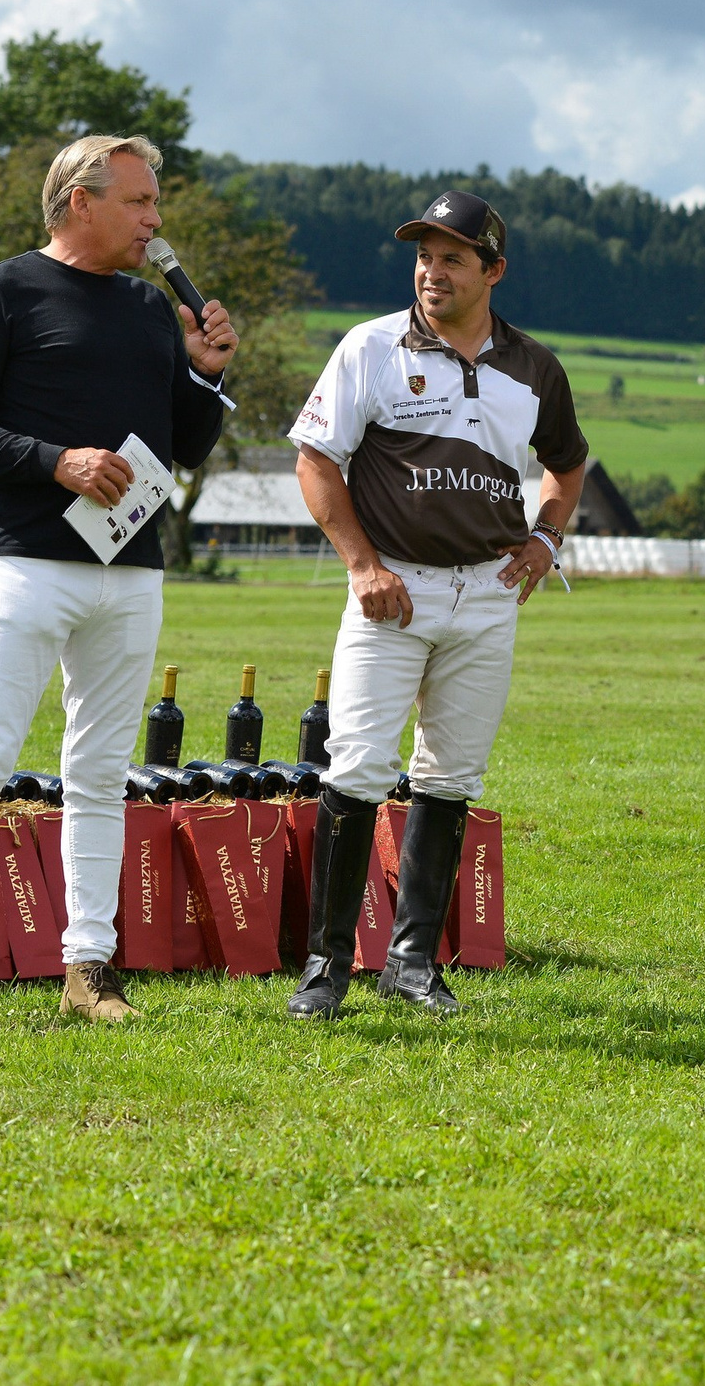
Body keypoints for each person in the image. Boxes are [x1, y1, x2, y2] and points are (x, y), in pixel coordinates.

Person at [0, 134, 237, 1022]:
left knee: (99, 774)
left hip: (131, 573)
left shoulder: (147, 308)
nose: (157, 220)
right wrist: (56, 462)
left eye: (156, 203)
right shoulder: (2, 292)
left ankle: (91, 970)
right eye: (140, 202)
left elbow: (179, 450)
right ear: (80, 201)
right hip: (26, 565)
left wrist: (206, 377)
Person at [285, 189, 588, 1019]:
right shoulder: (372, 346)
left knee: (450, 777)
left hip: (488, 590)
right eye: (424, 255)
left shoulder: (534, 367)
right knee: (357, 768)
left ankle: (412, 963)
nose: (431, 270)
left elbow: (567, 463)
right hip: (394, 590)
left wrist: (546, 538)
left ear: (493, 270)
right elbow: (316, 460)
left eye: (453, 257)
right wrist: (361, 565)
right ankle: (326, 966)